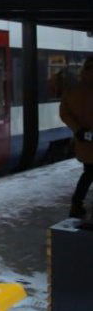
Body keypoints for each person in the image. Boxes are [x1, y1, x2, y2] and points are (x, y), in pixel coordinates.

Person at [61, 57, 93, 218]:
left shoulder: (73, 90)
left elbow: (64, 113)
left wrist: (78, 130)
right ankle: (76, 204)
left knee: (88, 172)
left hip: (85, 140)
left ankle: (76, 205)